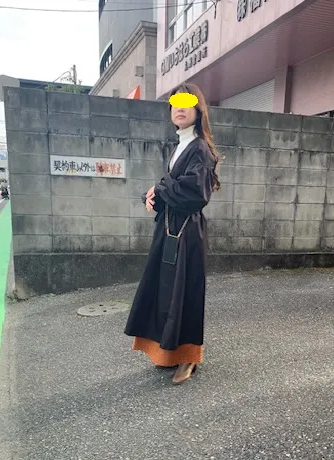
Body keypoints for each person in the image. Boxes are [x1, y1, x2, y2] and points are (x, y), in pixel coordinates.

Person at [124, 82, 222, 385]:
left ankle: (189, 356)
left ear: (198, 109)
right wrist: (151, 196)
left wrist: (161, 187)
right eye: (175, 103)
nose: (180, 108)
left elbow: (195, 194)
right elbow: (171, 186)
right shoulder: (180, 146)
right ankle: (168, 354)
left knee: (186, 292)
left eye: (187, 102)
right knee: (166, 291)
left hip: (187, 233)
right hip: (170, 229)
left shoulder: (200, 149)